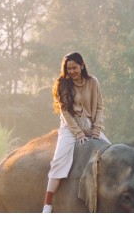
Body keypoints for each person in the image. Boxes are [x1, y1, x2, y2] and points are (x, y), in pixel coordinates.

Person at [42, 52, 111, 213]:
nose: (71, 71)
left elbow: (100, 107)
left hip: (91, 125)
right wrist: (78, 134)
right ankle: (47, 204)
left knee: (111, 152)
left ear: (82, 66)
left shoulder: (93, 82)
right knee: (59, 161)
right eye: (68, 68)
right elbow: (65, 113)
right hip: (69, 127)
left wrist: (97, 129)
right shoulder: (62, 84)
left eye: (74, 68)